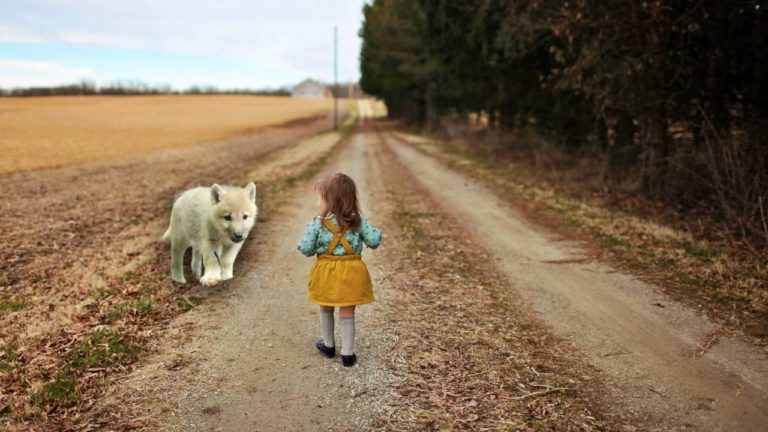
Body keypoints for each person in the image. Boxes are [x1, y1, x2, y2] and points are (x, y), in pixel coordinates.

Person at [297, 173, 382, 366]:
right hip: (352, 271)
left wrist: (303, 245)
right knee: (347, 309)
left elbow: (306, 248)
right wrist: (377, 234)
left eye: (319, 198)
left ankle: (328, 345)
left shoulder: (318, 223)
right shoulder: (358, 220)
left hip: (326, 270)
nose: (317, 202)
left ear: (330, 200)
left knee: (325, 305)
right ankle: (347, 354)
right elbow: (374, 240)